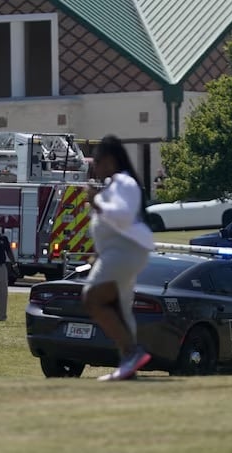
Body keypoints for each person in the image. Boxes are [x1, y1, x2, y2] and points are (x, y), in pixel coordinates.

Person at [81, 135, 154, 382]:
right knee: (120, 310)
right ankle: (128, 365)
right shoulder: (115, 185)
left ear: (110, 161)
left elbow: (122, 216)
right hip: (120, 251)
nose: (95, 169)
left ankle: (133, 352)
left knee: (92, 298)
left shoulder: (123, 182)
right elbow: (114, 227)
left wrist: (97, 202)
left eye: (97, 162)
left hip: (126, 251)